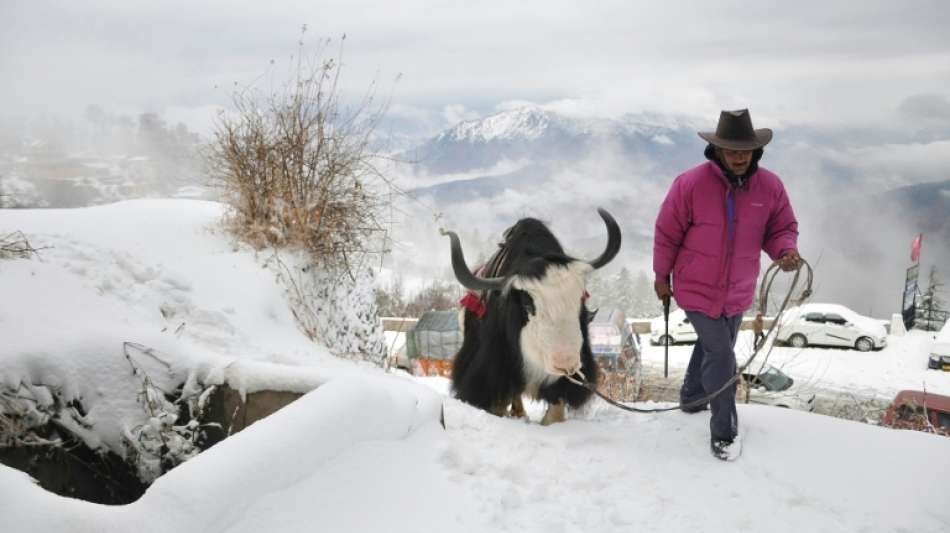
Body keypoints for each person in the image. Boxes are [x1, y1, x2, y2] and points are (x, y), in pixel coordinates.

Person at [652, 109, 801, 461]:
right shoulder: (690, 184)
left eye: (745, 150)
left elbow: (781, 229)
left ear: (755, 151)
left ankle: (691, 398)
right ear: (717, 149)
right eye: (732, 150)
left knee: (712, 347)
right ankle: (724, 432)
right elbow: (666, 234)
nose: (739, 156)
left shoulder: (771, 187)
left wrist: (785, 251)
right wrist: (661, 278)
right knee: (722, 355)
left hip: (737, 290)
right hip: (695, 288)